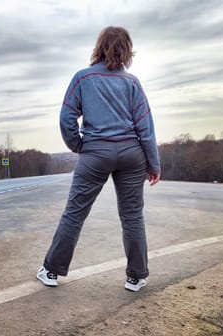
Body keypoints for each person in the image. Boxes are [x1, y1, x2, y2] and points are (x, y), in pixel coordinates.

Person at [37, 26, 161, 292]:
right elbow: (145, 126)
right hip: (131, 154)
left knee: (75, 213)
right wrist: (153, 164)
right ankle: (136, 277)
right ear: (126, 50)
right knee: (132, 217)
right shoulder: (132, 83)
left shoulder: (82, 78)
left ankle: (51, 271)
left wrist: (79, 146)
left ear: (99, 47)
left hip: (96, 152)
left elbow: (66, 118)